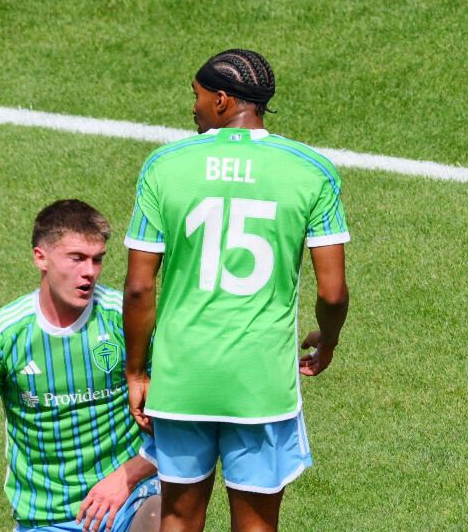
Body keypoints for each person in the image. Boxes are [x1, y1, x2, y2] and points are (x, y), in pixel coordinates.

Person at [122, 48, 350, 532]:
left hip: (183, 376)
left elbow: (140, 288)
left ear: (223, 100)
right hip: (260, 382)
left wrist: (137, 370)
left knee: (179, 517)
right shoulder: (312, 170)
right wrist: (326, 341)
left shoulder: (164, 165)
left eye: (198, 96)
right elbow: (332, 293)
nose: (194, 107)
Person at [0, 199, 160, 532]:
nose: (89, 271)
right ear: (41, 257)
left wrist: (130, 474)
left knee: (166, 518)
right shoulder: (0, 336)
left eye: (97, 260)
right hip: (46, 518)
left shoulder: (125, 320)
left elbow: (181, 412)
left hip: (130, 498)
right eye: (77, 258)